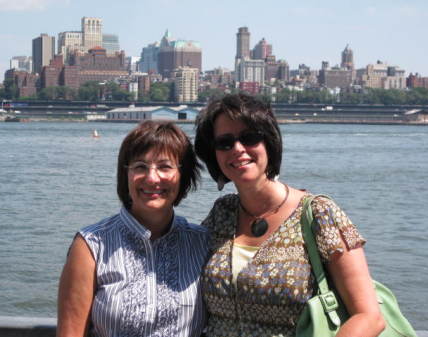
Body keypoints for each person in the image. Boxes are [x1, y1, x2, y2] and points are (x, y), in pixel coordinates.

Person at [194, 93, 385, 337]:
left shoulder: (318, 213)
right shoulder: (222, 213)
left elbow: (369, 316)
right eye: (225, 143)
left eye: (250, 138)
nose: (238, 149)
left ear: (269, 144)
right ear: (215, 154)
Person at [57, 121, 208, 337]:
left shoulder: (202, 243)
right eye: (140, 167)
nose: (152, 178)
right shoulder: (92, 245)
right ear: (125, 174)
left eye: (165, 167)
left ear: (182, 176)